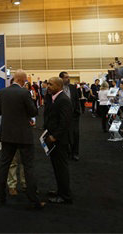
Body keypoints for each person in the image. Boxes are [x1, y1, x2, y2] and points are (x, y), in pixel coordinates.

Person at [0, 69, 44, 208]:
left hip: (7, 134)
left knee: (4, 165)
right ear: (22, 80)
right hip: (23, 135)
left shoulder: (2, 92)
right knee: (28, 166)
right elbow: (33, 111)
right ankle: (33, 198)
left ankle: (0, 196)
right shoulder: (24, 93)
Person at [44, 76, 73, 204]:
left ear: (59, 86)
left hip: (60, 141)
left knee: (61, 168)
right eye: (48, 84)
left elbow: (65, 122)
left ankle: (65, 196)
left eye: (51, 84)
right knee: (57, 167)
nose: (48, 87)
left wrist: (55, 136)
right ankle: (60, 191)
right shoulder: (52, 98)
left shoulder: (63, 100)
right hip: (53, 139)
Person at [59, 72, 81, 161]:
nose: (68, 79)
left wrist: (77, 112)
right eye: (66, 77)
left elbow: (76, 100)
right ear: (61, 79)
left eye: (68, 77)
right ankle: (67, 152)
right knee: (65, 135)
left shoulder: (72, 87)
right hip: (62, 116)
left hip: (73, 116)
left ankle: (75, 153)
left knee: (75, 134)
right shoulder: (58, 88)